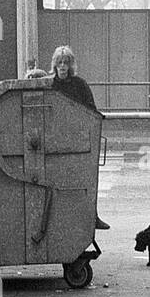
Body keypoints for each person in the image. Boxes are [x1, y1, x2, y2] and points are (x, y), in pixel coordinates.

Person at [49, 45, 109, 230]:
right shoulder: (49, 85)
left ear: (71, 65)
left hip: (79, 140)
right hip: (57, 140)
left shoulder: (80, 85)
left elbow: (90, 108)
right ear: (54, 65)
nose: (62, 66)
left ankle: (92, 216)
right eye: (59, 63)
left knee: (86, 181)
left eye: (65, 62)